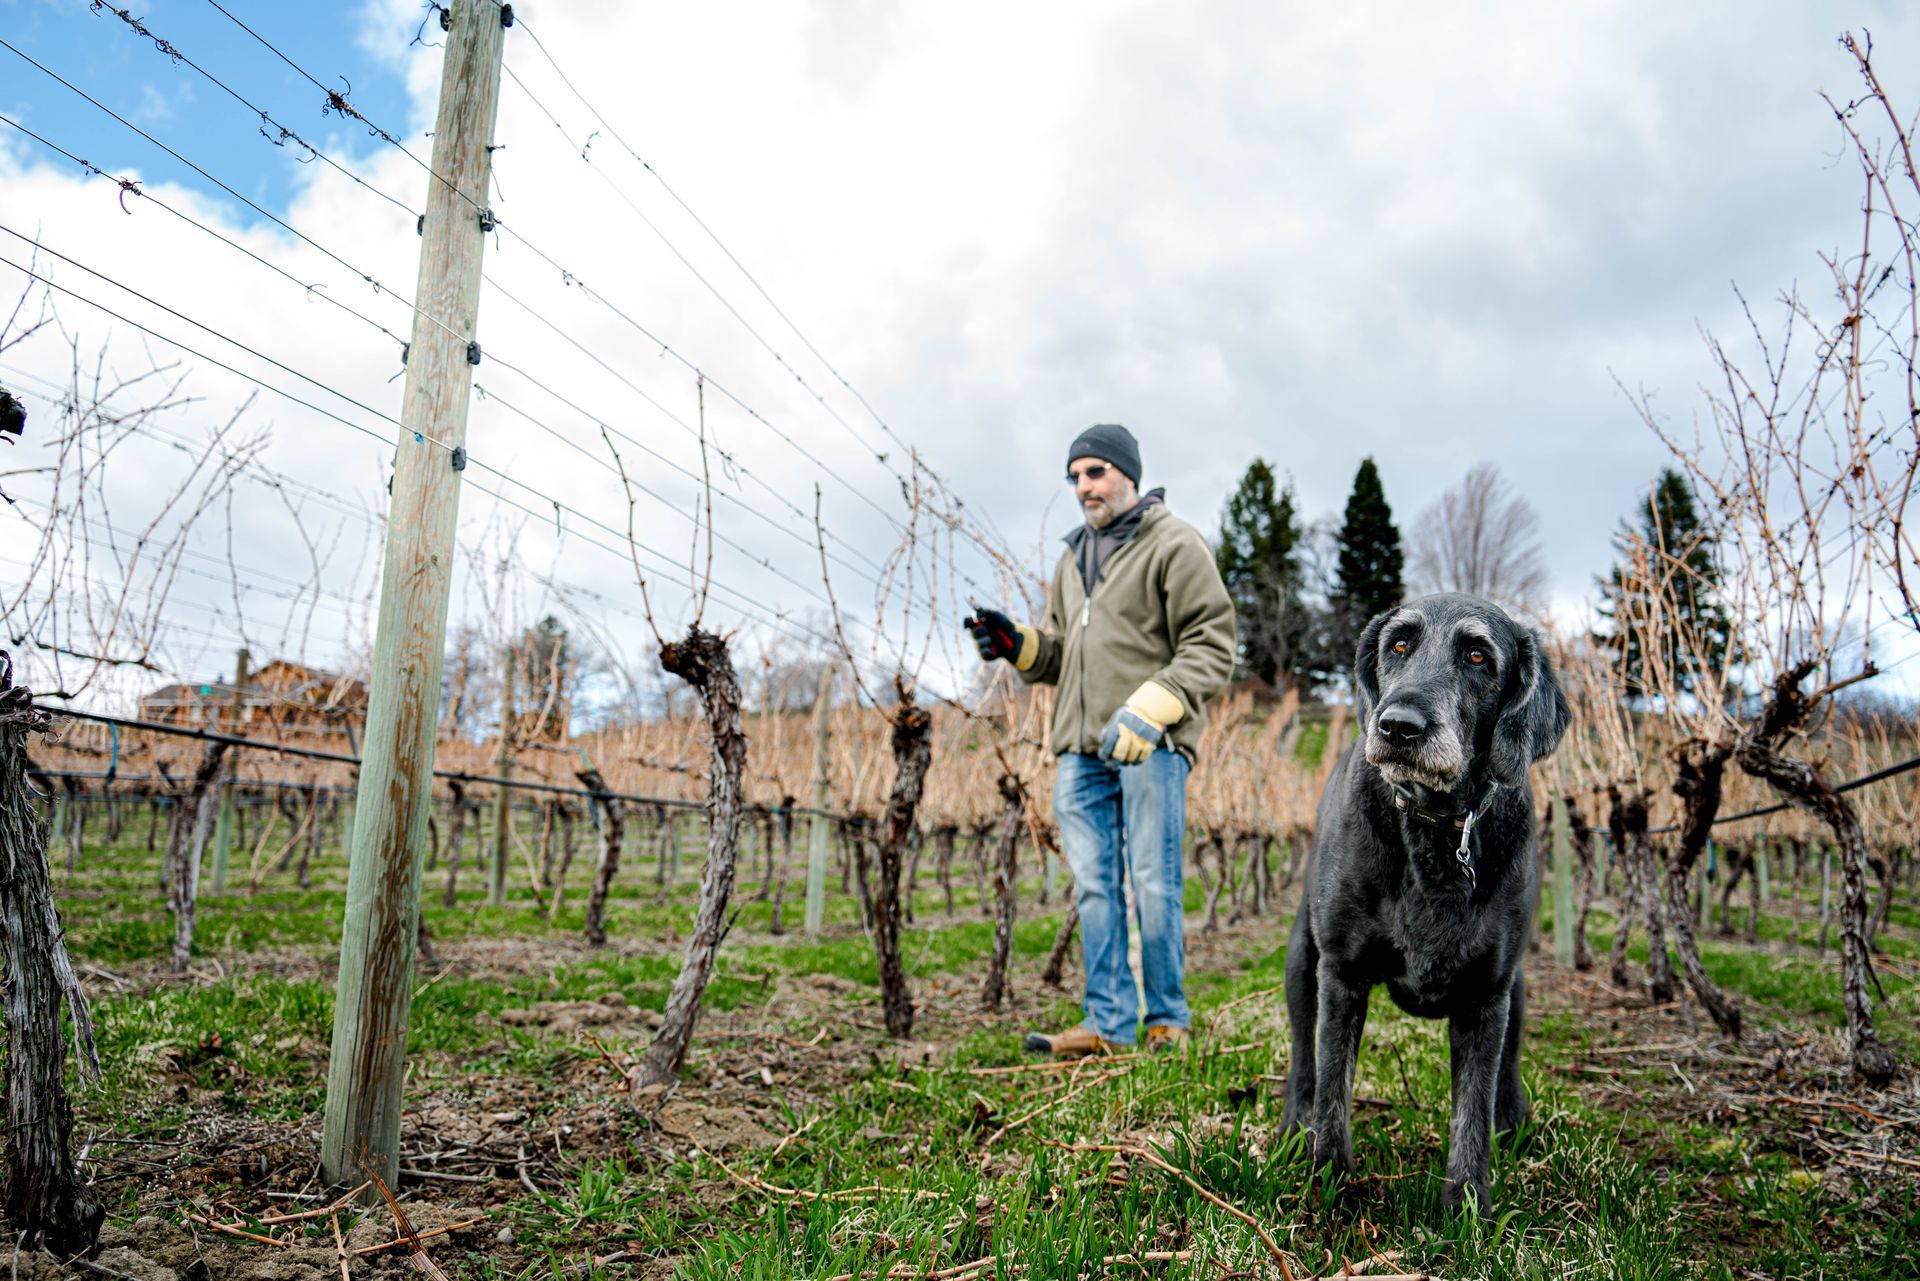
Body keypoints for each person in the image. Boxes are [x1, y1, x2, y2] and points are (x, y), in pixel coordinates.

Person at [965, 424, 1236, 1056]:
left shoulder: (1173, 543)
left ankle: (1167, 1019)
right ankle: (1108, 1023)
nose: (1083, 486)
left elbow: (1213, 643)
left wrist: (1153, 708)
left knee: (1154, 880)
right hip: (1079, 749)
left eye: (1095, 472)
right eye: (1075, 476)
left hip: (1149, 745)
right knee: (1092, 885)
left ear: (1128, 474)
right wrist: (1018, 645)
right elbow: (1062, 655)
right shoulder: (1071, 558)